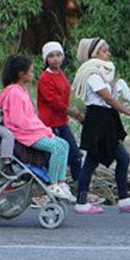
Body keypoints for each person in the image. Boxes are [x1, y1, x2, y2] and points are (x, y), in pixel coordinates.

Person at [71, 38, 130, 214]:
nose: (108, 54)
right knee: (92, 161)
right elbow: (108, 99)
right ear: (94, 54)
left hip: (104, 118)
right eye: (104, 51)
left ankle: (123, 199)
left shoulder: (100, 73)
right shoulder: (93, 74)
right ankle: (83, 202)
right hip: (99, 120)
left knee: (119, 158)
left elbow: (109, 96)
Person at [0, 55, 76, 203]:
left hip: (32, 131)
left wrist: (43, 129)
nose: (33, 74)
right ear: (21, 74)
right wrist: (42, 130)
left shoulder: (21, 90)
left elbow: (29, 118)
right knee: (56, 148)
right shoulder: (15, 93)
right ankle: (52, 183)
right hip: (24, 134)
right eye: (31, 72)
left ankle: (61, 181)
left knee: (64, 145)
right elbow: (19, 121)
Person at [37, 41, 85, 182]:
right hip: (50, 123)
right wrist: (74, 113)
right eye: (51, 56)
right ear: (46, 59)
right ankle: (52, 185)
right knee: (54, 157)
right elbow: (54, 102)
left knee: (75, 155)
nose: (55, 59)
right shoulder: (45, 78)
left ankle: (80, 187)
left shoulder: (61, 74)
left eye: (58, 55)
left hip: (62, 121)